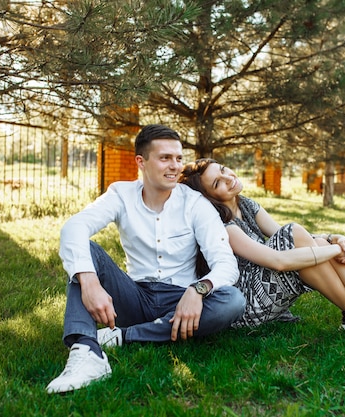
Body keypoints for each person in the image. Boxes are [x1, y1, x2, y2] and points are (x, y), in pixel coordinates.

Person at [179, 158, 345, 352]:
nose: (228, 178)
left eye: (224, 170)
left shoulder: (246, 204)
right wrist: (332, 248)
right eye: (218, 182)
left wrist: (334, 238)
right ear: (211, 197)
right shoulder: (223, 226)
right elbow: (279, 260)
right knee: (299, 237)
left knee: (302, 239)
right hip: (247, 306)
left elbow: (287, 238)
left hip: (268, 285)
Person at [46, 127, 246, 394]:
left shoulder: (196, 203)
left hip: (181, 300)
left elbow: (226, 263)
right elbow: (74, 228)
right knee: (86, 254)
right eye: (165, 158)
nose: (174, 166)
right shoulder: (121, 194)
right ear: (141, 161)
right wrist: (90, 283)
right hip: (134, 296)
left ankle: (124, 336)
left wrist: (198, 290)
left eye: (178, 158)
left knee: (232, 300)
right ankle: (87, 352)